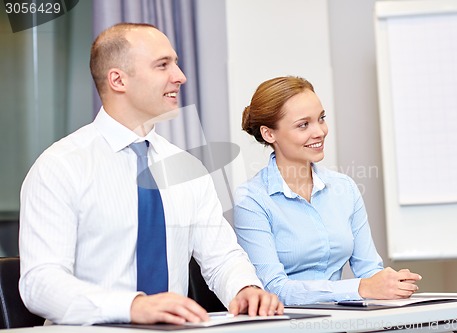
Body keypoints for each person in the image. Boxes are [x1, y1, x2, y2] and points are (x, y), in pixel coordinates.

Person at [19, 23, 283, 325]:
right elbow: (39, 284)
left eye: (177, 63)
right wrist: (132, 307)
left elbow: (221, 257)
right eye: (163, 65)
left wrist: (245, 287)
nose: (180, 76)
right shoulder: (60, 166)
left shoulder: (188, 168)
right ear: (118, 79)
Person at [233, 76, 422, 306]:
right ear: (269, 134)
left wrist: (392, 284)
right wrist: (361, 288)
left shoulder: (345, 188)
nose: (320, 132)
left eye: (321, 119)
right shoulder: (252, 200)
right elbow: (274, 289)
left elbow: (369, 269)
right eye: (303, 124)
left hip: (342, 320)